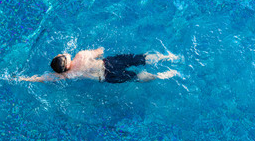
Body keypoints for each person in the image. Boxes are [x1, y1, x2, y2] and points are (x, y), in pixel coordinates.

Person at [16, 47, 180, 83]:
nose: (60, 53)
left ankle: (161, 76)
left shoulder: (67, 74)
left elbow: (44, 78)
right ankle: (168, 57)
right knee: (139, 59)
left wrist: (22, 79)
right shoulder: (81, 54)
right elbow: (99, 51)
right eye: (60, 54)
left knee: (134, 77)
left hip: (106, 76)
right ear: (65, 58)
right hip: (108, 62)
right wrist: (98, 52)